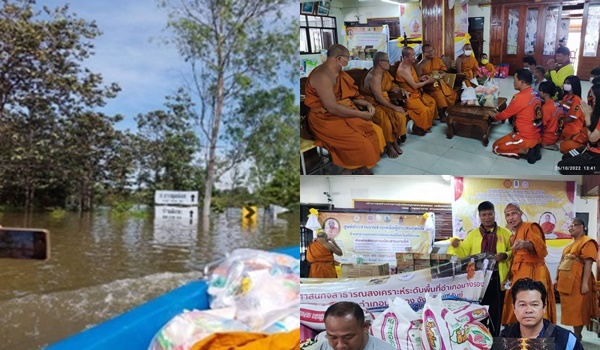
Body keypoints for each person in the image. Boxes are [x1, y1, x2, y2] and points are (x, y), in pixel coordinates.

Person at [304, 44, 385, 175]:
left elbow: (350, 97)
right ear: (339, 58)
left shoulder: (339, 73)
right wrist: (361, 114)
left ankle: (360, 164)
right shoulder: (322, 76)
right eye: (347, 58)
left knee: (375, 131)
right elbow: (332, 107)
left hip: (343, 112)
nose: (348, 61)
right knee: (360, 142)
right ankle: (351, 167)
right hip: (324, 119)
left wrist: (366, 104)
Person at [449, 201, 512, 336]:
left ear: (495, 214)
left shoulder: (505, 233)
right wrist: (456, 247)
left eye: (490, 214)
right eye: (484, 215)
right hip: (477, 280)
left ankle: (494, 340)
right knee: (479, 311)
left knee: (496, 312)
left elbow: (515, 252)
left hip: (497, 278)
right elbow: (463, 253)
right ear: (479, 216)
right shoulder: (472, 235)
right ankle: (481, 338)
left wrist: (505, 255)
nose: (487, 217)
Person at [501, 203, 556, 326]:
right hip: (518, 273)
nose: (511, 218)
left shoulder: (530, 227)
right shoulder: (513, 236)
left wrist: (525, 244)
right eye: (507, 215)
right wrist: (508, 277)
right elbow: (515, 259)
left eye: (514, 213)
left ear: (520, 214)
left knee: (534, 302)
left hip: (534, 271)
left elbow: (538, 246)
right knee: (518, 303)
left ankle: (540, 336)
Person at [500, 278, 583, 350]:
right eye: (522, 305)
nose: (528, 310)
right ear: (514, 308)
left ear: (544, 307)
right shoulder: (505, 338)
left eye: (534, 304)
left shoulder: (565, 339)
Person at [555, 218, 599, 340]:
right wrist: (557, 279)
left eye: (574, 225)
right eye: (569, 226)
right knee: (571, 309)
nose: (571, 228)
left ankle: (578, 334)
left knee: (578, 308)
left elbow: (588, 263)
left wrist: (585, 283)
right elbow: (562, 263)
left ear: (581, 227)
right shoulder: (570, 246)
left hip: (579, 281)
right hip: (567, 282)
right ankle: (576, 333)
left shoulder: (587, 241)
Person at [360, 52, 408, 158]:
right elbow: (378, 98)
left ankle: (394, 141)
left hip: (385, 101)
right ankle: (389, 146)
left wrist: (400, 89)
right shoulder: (373, 76)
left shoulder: (384, 73)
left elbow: (391, 86)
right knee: (385, 121)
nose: (389, 64)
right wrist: (395, 107)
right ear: (380, 62)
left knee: (399, 115)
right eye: (387, 61)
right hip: (373, 104)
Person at [490, 69, 543, 164]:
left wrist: (494, 116)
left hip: (524, 136)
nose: (513, 82)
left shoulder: (519, 97)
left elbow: (504, 115)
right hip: (536, 133)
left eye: (515, 80)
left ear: (522, 82)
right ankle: (534, 145)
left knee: (496, 147)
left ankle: (526, 151)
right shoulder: (535, 93)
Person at [314, 301, 396, 350]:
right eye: (333, 337)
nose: (340, 345)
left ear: (365, 327)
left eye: (348, 337)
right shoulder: (324, 346)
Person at [558, 83, 600, 174]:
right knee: (565, 156)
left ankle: (595, 169)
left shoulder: (576, 100)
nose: (590, 99)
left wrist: (587, 117)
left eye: (593, 97)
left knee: (562, 166)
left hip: (596, 154)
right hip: (589, 147)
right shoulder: (596, 110)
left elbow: (592, 139)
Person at [395, 46, 437, 136]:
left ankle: (422, 126)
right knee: (424, 109)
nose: (415, 57)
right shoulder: (403, 69)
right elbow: (414, 86)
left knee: (432, 102)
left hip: (416, 93)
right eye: (413, 55)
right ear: (406, 58)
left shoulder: (409, 65)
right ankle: (419, 127)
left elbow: (412, 80)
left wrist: (420, 78)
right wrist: (427, 81)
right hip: (409, 97)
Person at [416, 44, 457, 120]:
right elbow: (418, 79)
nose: (431, 53)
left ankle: (445, 111)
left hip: (440, 83)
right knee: (439, 95)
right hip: (429, 87)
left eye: (432, 50)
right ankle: (441, 115)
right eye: (428, 52)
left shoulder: (437, 60)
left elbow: (444, 72)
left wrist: (440, 75)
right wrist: (428, 78)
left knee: (451, 94)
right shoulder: (420, 65)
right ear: (423, 53)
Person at [559, 75, 587, 154]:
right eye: (565, 83)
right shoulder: (566, 97)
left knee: (563, 147)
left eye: (568, 83)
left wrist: (559, 122)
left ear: (574, 85)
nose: (565, 85)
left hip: (572, 129)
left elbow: (572, 118)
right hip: (564, 126)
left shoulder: (576, 99)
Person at [538, 81, 564, 149]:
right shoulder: (557, 104)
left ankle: (545, 145)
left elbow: (541, 125)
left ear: (546, 94)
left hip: (547, 138)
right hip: (556, 136)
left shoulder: (546, 108)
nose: (538, 92)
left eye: (540, 90)